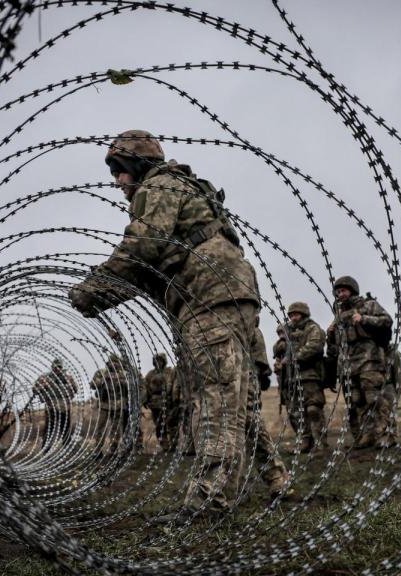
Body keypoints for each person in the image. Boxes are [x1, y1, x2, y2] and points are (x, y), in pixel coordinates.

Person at [69, 130, 261, 516]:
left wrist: (93, 291)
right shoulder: (179, 187)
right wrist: (106, 296)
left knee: (218, 400)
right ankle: (227, 492)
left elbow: (141, 248)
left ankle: (209, 500)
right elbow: (150, 269)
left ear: (138, 165)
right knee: (230, 397)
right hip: (223, 291)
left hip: (208, 294)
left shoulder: (156, 186)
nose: (117, 180)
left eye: (120, 170)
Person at [325, 276, 396, 449]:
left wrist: (364, 318)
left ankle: (386, 434)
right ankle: (368, 434)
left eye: (344, 290)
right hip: (348, 364)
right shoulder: (339, 316)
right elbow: (334, 348)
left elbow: (386, 321)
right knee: (358, 401)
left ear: (352, 290)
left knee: (375, 398)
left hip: (369, 359)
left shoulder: (368, 305)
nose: (341, 294)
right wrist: (330, 334)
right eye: (338, 291)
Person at [245, 318, 291, 499]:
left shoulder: (247, 326)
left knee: (250, 424)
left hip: (243, 379)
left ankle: (277, 477)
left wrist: (260, 376)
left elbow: (261, 365)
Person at [281, 302, 327, 453]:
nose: (293, 318)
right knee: (296, 412)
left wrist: (294, 358)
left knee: (313, 409)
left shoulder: (312, 328)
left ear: (304, 314)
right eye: (291, 315)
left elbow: (314, 347)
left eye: (296, 314)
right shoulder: (287, 333)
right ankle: (304, 442)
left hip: (309, 376)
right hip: (292, 379)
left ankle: (320, 443)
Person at [89, 353, 137, 454]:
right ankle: (97, 450)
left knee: (115, 430)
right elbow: (93, 384)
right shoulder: (101, 372)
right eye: (112, 362)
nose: (114, 364)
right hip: (104, 405)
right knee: (100, 428)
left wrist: (121, 380)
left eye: (116, 362)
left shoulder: (124, 374)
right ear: (109, 363)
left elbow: (130, 387)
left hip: (118, 406)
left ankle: (113, 449)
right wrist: (103, 380)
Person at [34, 359, 78, 449]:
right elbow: (35, 390)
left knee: (65, 429)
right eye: (55, 367)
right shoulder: (45, 378)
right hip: (51, 408)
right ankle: (46, 449)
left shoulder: (68, 377)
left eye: (59, 367)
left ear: (62, 367)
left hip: (65, 407)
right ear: (52, 367)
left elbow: (75, 389)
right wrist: (43, 386)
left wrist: (70, 384)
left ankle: (67, 449)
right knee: (50, 429)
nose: (57, 369)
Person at [142, 353, 181, 453]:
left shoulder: (169, 372)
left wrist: (174, 398)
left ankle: (174, 444)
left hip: (168, 401)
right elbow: (145, 387)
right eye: (156, 361)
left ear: (164, 361)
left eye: (160, 361)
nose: (158, 363)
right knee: (159, 425)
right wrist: (145, 399)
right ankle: (164, 445)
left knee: (171, 423)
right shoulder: (151, 374)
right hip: (155, 402)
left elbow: (173, 385)